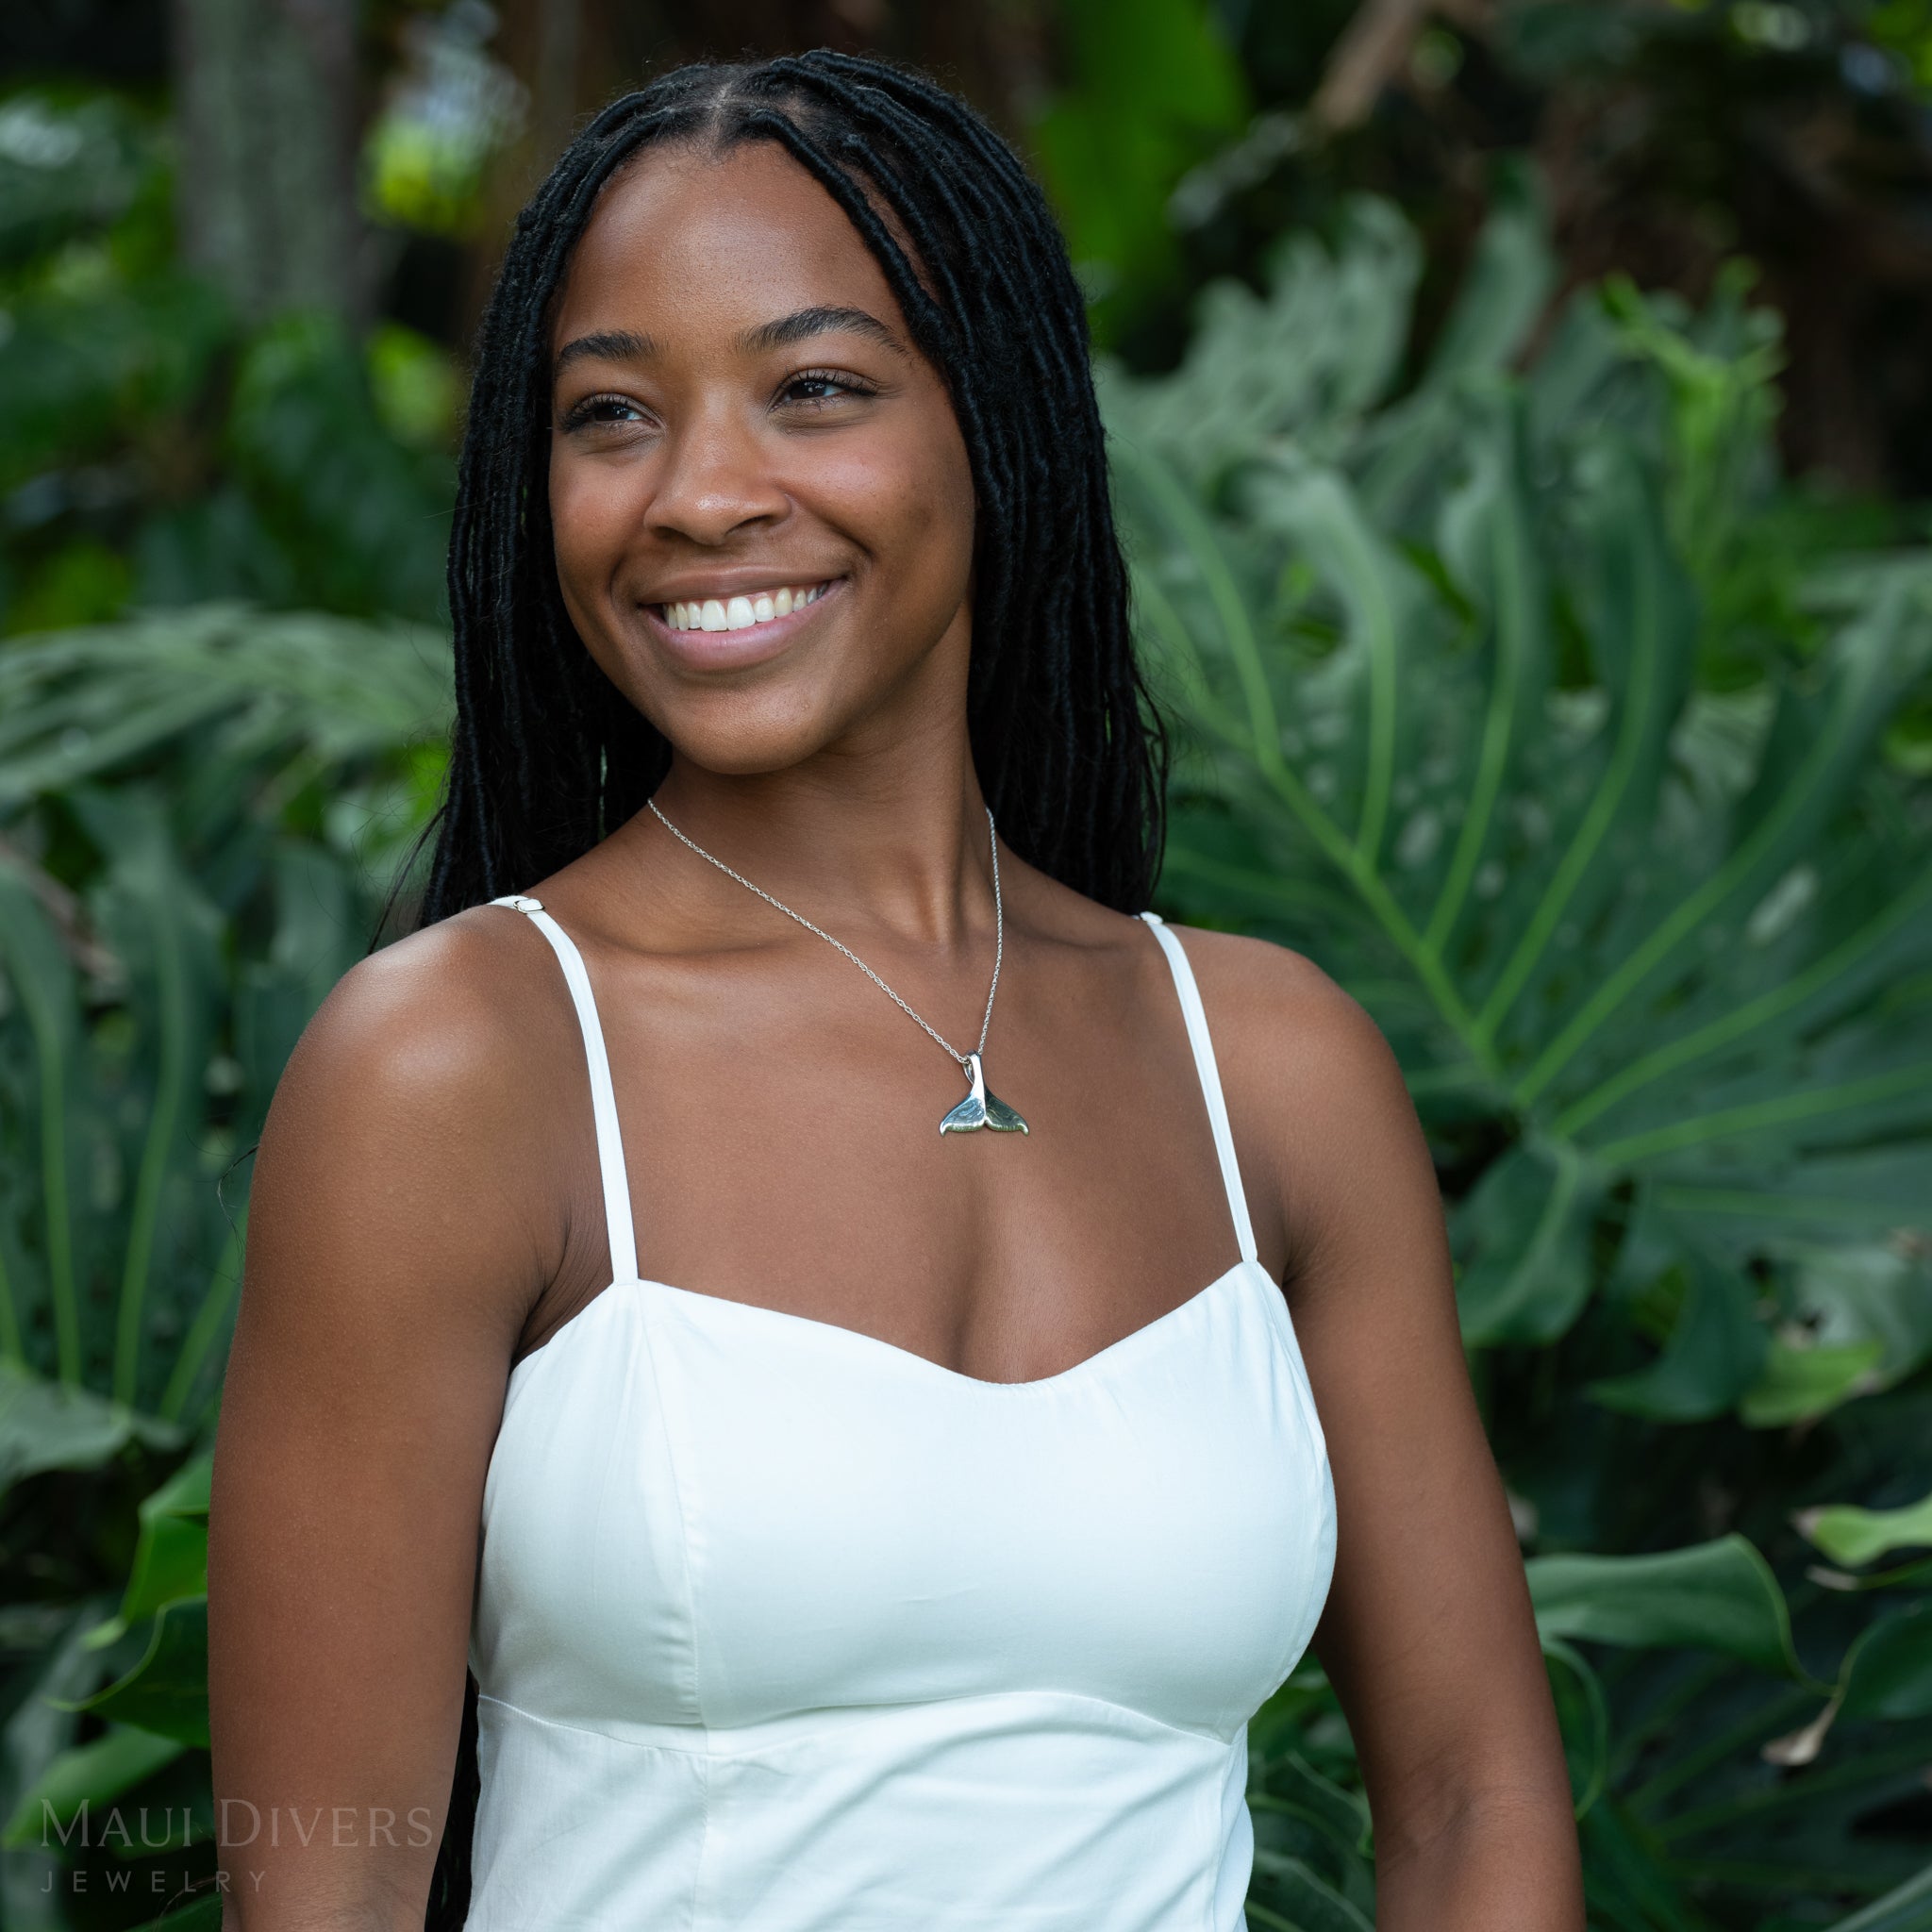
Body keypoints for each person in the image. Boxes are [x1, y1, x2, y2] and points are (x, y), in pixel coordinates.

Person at [206, 48, 1584, 1932]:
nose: (698, 494)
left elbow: (1467, 1795)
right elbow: (320, 1898)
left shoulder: (1261, 1064)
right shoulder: (464, 1065)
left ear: (993, 425)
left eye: (815, 389)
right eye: (611, 417)